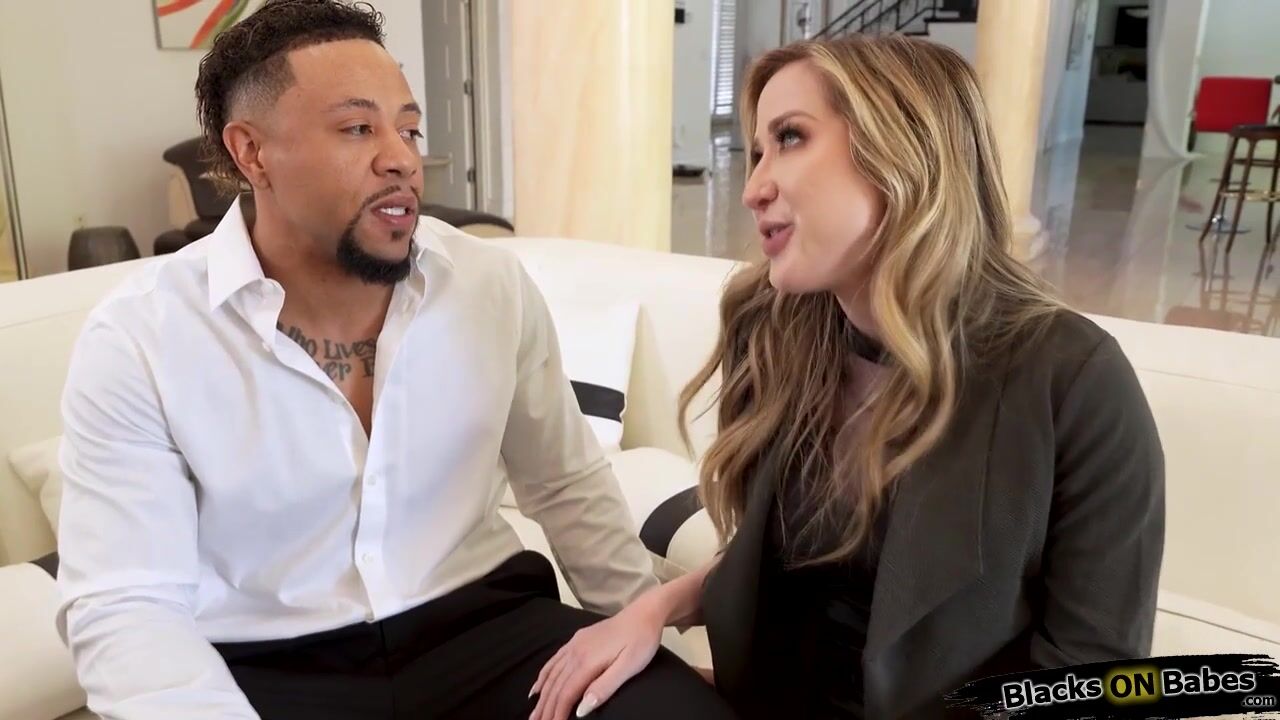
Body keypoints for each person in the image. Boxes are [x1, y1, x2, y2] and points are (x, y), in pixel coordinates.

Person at [54, 2, 736, 718]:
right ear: (252, 153)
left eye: (408, 129)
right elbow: (126, 605)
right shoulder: (141, 337)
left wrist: (646, 640)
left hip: (491, 628)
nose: (402, 158)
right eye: (358, 129)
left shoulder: (487, 284)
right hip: (268, 666)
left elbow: (567, 487)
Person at [528, 35, 1165, 720]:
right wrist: (652, 611)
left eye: (790, 138)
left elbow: (1095, 678)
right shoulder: (776, 330)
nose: (752, 188)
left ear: (904, 148)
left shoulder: (1074, 381)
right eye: (756, 152)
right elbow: (785, 561)